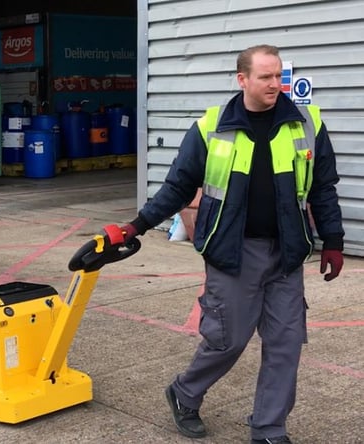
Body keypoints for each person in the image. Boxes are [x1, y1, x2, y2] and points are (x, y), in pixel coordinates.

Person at [120, 45, 344, 444]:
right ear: (242, 80)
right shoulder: (211, 127)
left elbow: (323, 188)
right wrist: (136, 226)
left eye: (278, 76)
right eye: (265, 77)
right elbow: (177, 187)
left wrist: (334, 241)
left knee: (286, 343)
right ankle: (185, 392)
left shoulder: (306, 122)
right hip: (233, 252)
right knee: (228, 339)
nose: (276, 84)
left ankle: (269, 427)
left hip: (287, 251)